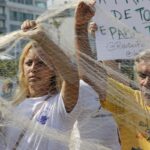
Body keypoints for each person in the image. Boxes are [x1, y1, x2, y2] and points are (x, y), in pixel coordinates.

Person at [0, 17, 100, 150]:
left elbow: (71, 79)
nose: (33, 68)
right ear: (22, 69)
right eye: (28, 63)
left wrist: (42, 38)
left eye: (41, 63)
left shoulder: (60, 104)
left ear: (53, 70)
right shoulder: (14, 107)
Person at [75, 1, 150, 150]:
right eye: (142, 75)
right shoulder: (131, 102)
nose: (147, 82)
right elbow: (90, 74)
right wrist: (80, 28)